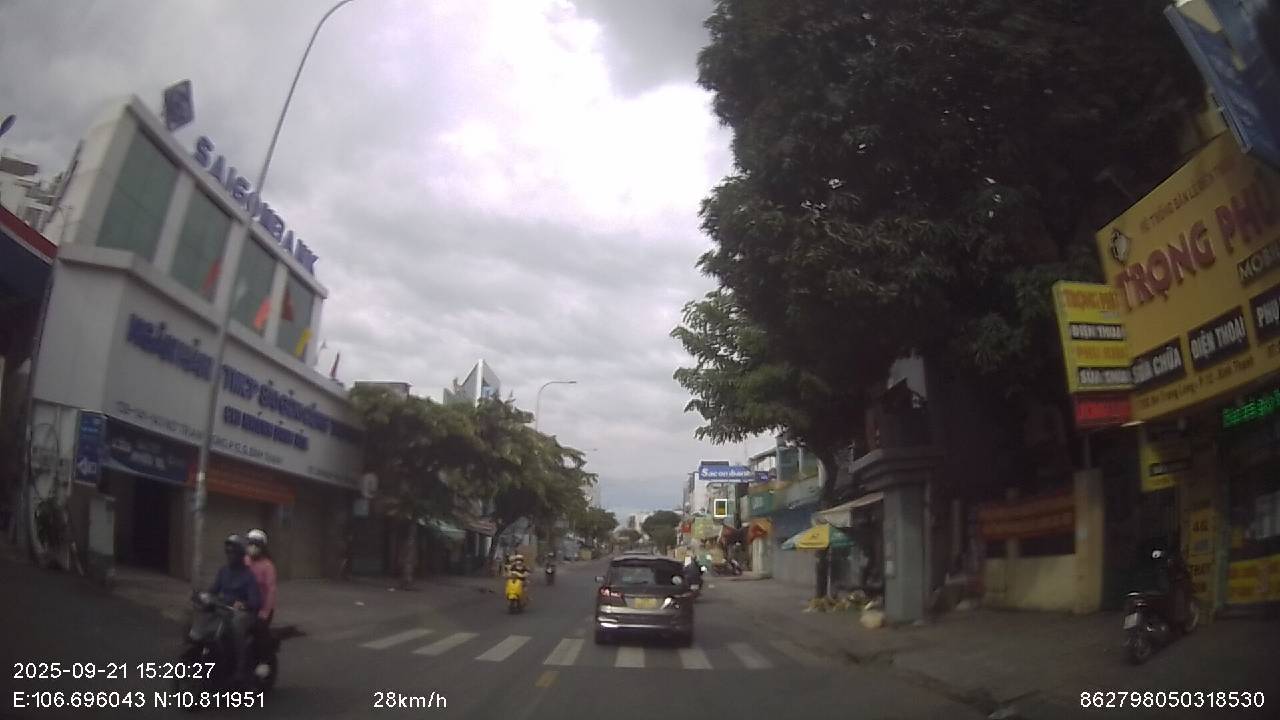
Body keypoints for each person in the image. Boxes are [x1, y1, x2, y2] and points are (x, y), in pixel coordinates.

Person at [207, 535, 261, 687]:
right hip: (224, 610)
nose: (230, 555)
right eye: (228, 552)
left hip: (243, 614)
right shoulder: (223, 571)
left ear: (241, 555)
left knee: (236, 623)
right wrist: (205, 597)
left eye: (233, 552)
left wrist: (243, 604)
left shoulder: (248, 576)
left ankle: (240, 669)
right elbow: (213, 590)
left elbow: (256, 601)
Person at [244, 529, 277, 626]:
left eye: (256, 545)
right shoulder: (244, 560)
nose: (253, 547)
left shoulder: (268, 566)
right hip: (246, 606)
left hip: (261, 608)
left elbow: (271, 591)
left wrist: (265, 612)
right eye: (251, 544)